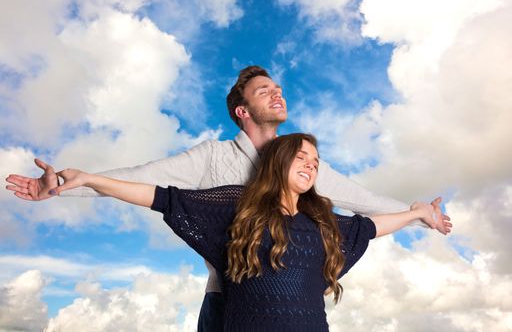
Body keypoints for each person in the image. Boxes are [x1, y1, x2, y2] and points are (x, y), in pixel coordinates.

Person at [5, 66, 452, 331]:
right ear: (242, 110)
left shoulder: (306, 164)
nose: (277, 93)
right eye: (264, 90)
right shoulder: (213, 157)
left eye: (278, 88)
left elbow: (368, 205)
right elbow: (143, 183)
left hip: (294, 306)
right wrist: (65, 185)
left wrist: (420, 215)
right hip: (227, 303)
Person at [48, 133, 440, 331]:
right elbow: (161, 197)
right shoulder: (240, 208)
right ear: (278, 161)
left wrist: (415, 213)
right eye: (301, 156)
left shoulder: (322, 222)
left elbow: (371, 226)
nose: (311, 165)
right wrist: (91, 180)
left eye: (316, 162)